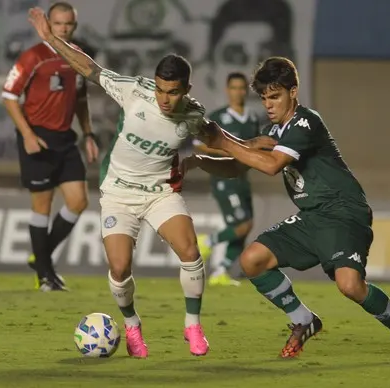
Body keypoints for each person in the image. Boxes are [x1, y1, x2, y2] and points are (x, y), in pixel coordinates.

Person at [26, 6, 272, 358]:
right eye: (160, 90)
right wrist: (51, 40)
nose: (164, 99)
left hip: (160, 192)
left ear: (186, 89)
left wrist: (250, 146)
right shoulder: (135, 92)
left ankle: (192, 325)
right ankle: (131, 325)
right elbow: (90, 68)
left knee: (190, 251)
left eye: (172, 92)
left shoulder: (191, 115)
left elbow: (219, 139)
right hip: (119, 193)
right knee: (119, 267)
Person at [192, 57, 390, 362]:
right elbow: (241, 156)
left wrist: (222, 141)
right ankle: (304, 320)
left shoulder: (305, 122)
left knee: (350, 286)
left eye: (275, 96)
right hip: (312, 217)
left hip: (343, 212)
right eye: (264, 98)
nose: (269, 104)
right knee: (253, 260)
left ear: (293, 92)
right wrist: (196, 157)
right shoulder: (275, 131)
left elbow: (272, 165)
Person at [3, 2, 98, 292]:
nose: (63, 29)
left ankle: (41, 256)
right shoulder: (34, 57)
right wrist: (28, 135)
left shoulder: (79, 58)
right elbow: (9, 96)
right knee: (42, 206)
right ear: (49, 24)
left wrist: (89, 134)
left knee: (78, 201)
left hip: (65, 138)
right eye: (57, 24)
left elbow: (81, 101)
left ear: (74, 26)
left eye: (68, 24)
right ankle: (45, 274)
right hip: (38, 137)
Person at [194, 72, 260, 286]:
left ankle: (220, 271)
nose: (238, 92)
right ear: (227, 90)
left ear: (246, 91)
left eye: (242, 88)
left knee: (245, 227)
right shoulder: (218, 117)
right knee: (243, 224)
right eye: (234, 88)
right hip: (224, 177)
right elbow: (198, 144)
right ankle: (207, 241)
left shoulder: (252, 118)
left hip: (243, 179)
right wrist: (227, 152)